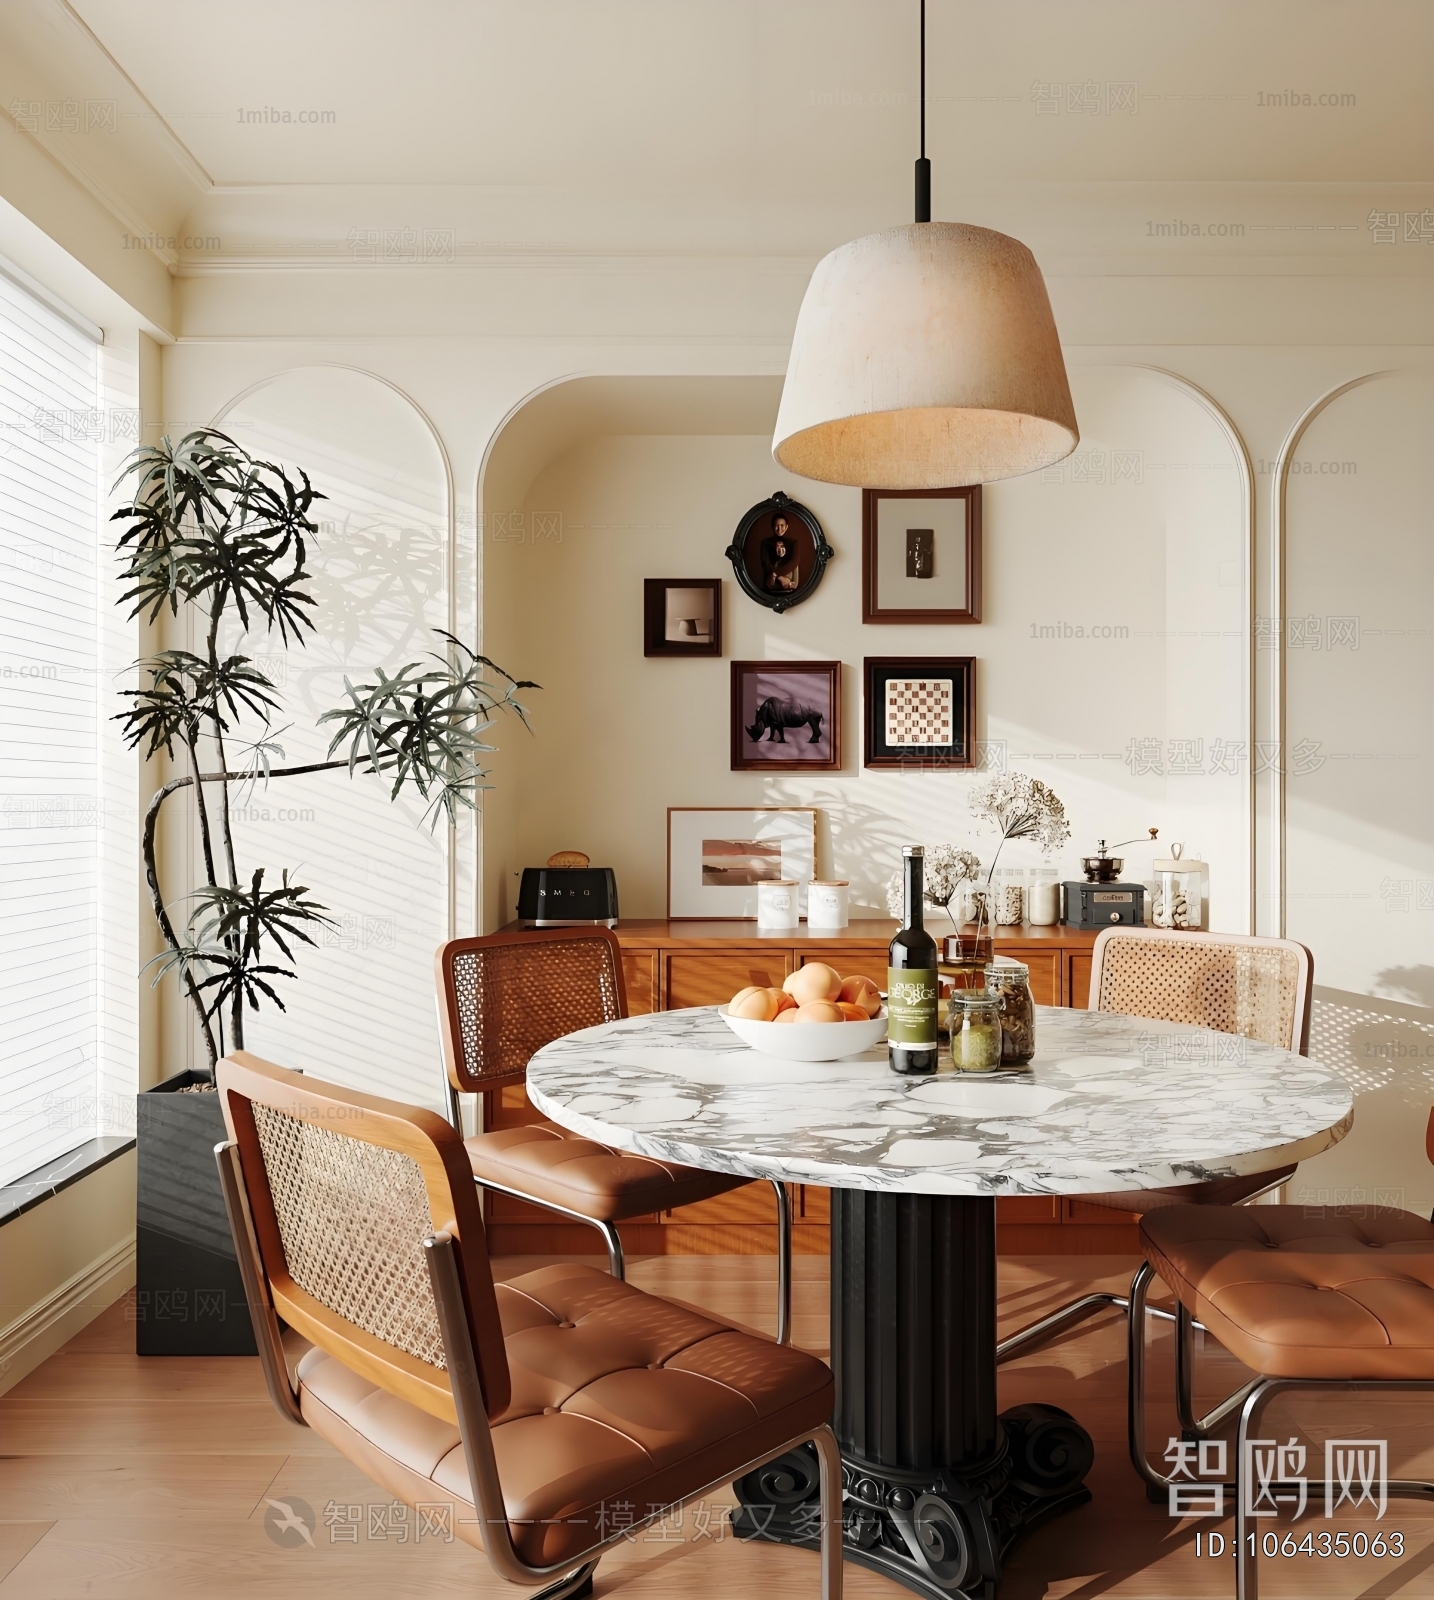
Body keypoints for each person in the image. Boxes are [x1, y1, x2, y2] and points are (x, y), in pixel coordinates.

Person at [759, 515, 801, 593]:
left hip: (788, 577)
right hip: (771, 576)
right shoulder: (766, 542)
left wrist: (780, 575)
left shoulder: (793, 543)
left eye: (782, 525)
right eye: (776, 526)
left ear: (786, 527)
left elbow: (795, 561)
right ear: (772, 527)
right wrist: (780, 577)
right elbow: (765, 561)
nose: (779, 529)